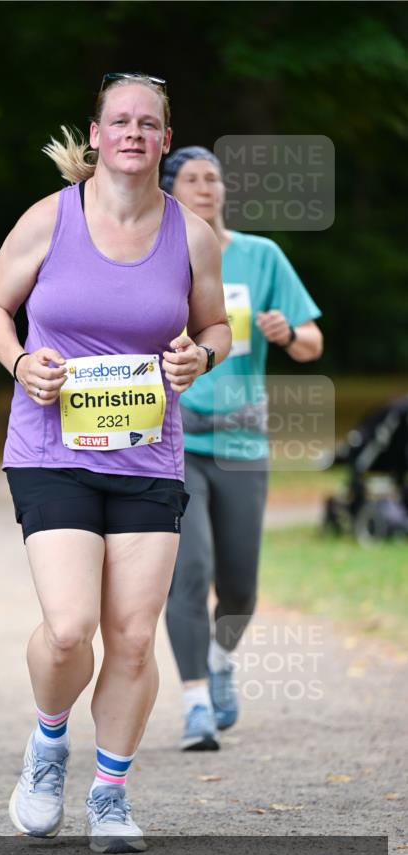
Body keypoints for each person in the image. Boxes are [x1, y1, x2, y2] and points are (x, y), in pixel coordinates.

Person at [0, 77, 231, 852]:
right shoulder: (49, 219)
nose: (132, 133)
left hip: (148, 457)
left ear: (163, 138)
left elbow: (214, 325)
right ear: (95, 133)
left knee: (129, 634)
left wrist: (198, 359)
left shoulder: (190, 233)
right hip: (51, 448)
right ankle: (49, 743)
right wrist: (21, 364)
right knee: (68, 630)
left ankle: (110, 794)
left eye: (147, 124)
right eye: (118, 120)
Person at [160, 147, 323, 751]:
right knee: (189, 572)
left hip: (241, 442)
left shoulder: (262, 256)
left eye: (215, 179)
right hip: (171, 439)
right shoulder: (155, 253)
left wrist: (288, 333)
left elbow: (312, 342)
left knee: (241, 588)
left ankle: (220, 658)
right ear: (171, 189)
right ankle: (196, 702)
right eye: (194, 179)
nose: (207, 188)